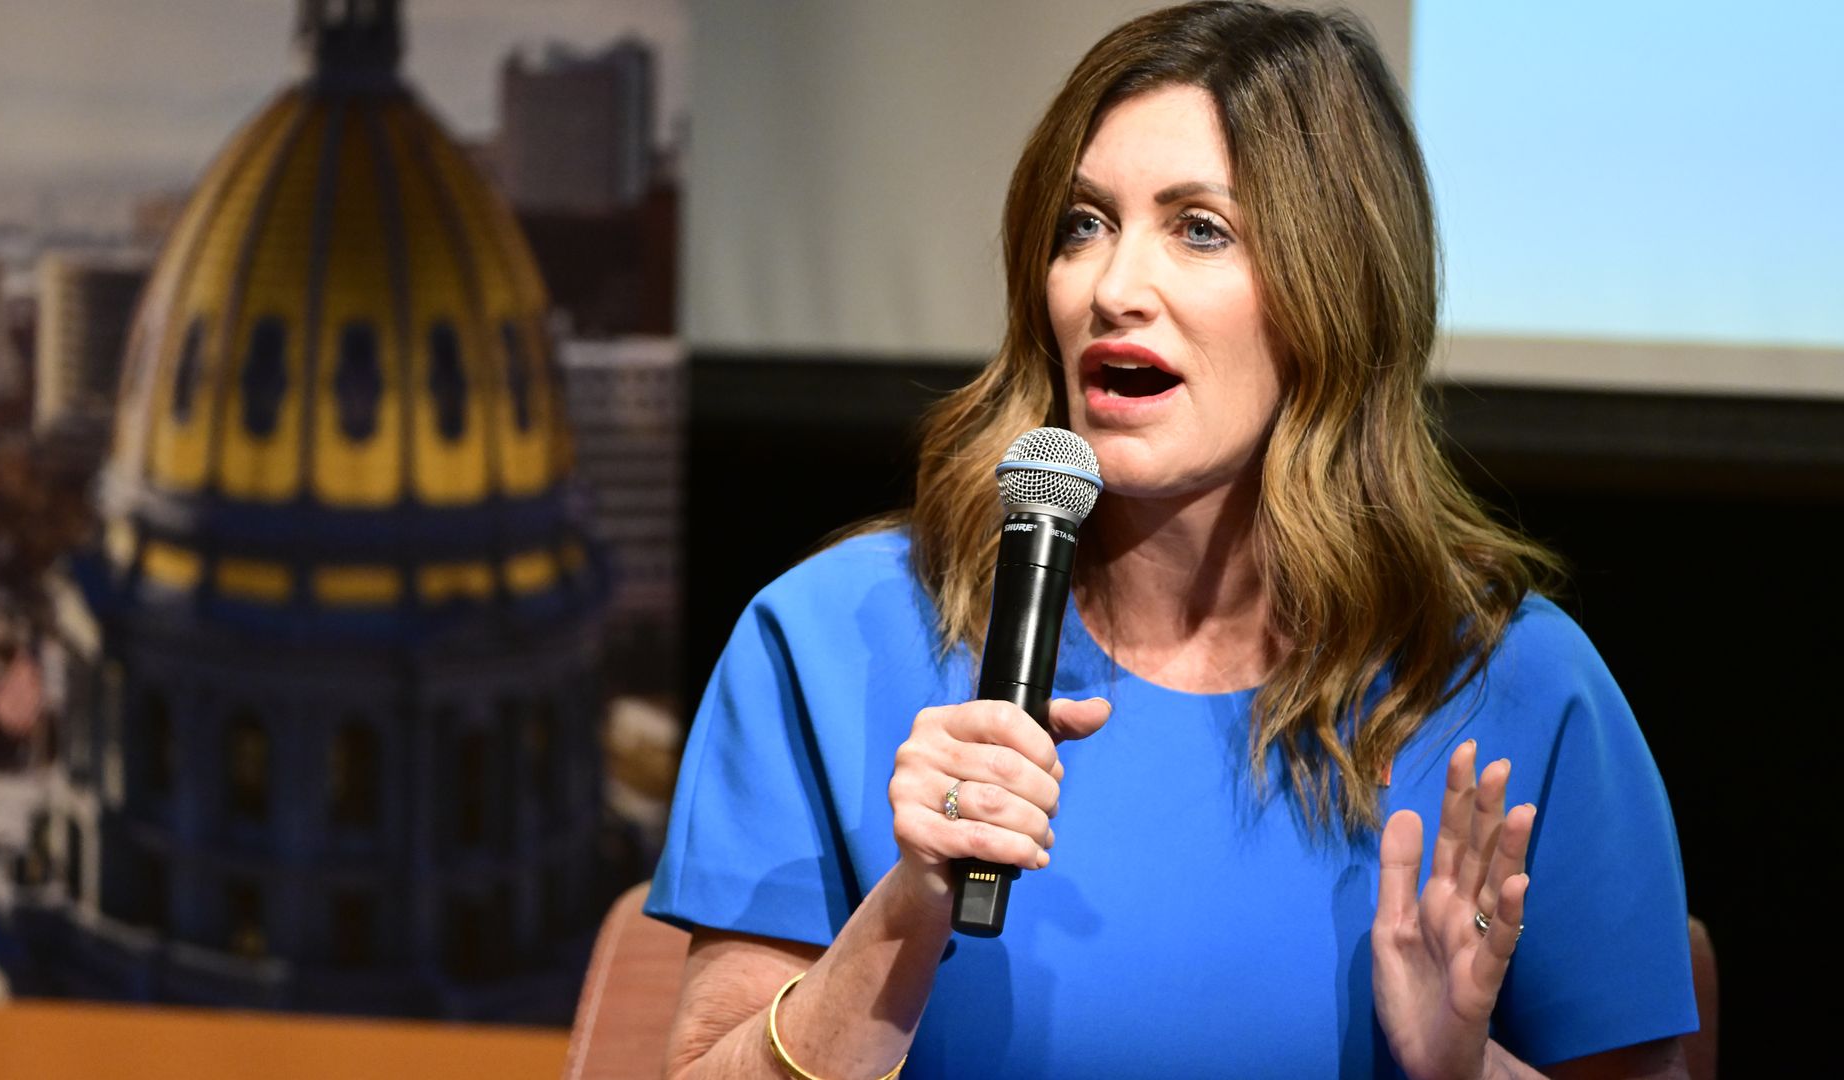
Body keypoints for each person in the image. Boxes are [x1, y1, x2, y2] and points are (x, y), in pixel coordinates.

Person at [644, 3, 1697, 1077]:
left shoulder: (1511, 687)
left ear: (1334, 293)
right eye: (1083, 224)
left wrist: (1463, 1068)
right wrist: (906, 913)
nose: (1112, 288)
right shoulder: (830, 640)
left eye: (1200, 229)